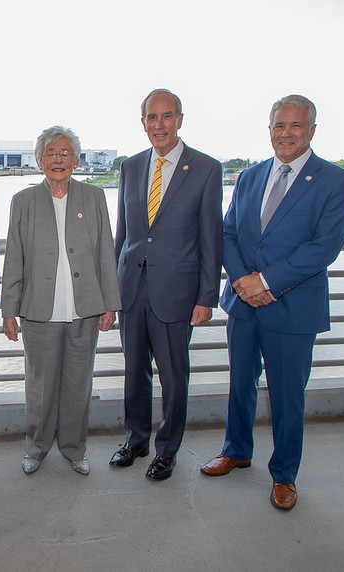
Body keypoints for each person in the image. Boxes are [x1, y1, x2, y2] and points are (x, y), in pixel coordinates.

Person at [199, 95, 344, 510]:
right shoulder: (250, 176)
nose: (286, 133)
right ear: (269, 130)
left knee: (287, 395)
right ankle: (236, 450)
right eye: (279, 126)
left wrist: (266, 281)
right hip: (243, 303)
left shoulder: (336, 181)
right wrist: (241, 280)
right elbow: (228, 232)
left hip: (292, 306)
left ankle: (284, 475)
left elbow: (325, 247)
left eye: (296, 126)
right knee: (240, 384)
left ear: (312, 131)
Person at [110, 88, 223, 481]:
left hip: (176, 292)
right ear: (142, 122)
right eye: (152, 117)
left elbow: (211, 238)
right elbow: (121, 236)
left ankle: (167, 450)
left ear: (180, 119)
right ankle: (136, 439)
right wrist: (111, 290)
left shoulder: (207, 169)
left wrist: (207, 296)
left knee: (174, 378)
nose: (159, 125)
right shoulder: (130, 167)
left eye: (167, 116)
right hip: (131, 288)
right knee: (133, 370)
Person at [1, 126, 121, 476]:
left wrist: (109, 303)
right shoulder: (23, 202)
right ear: (39, 161)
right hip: (39, 310)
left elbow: (105, 254)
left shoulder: (94, 197)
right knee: (39, 387)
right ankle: (36, 448)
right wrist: (9, 311)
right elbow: (14, 260)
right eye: (51, 153)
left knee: (78, 385)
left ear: (77, 160)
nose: (58, 159)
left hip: (85, 309)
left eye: (65, 153)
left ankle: (73, 448)